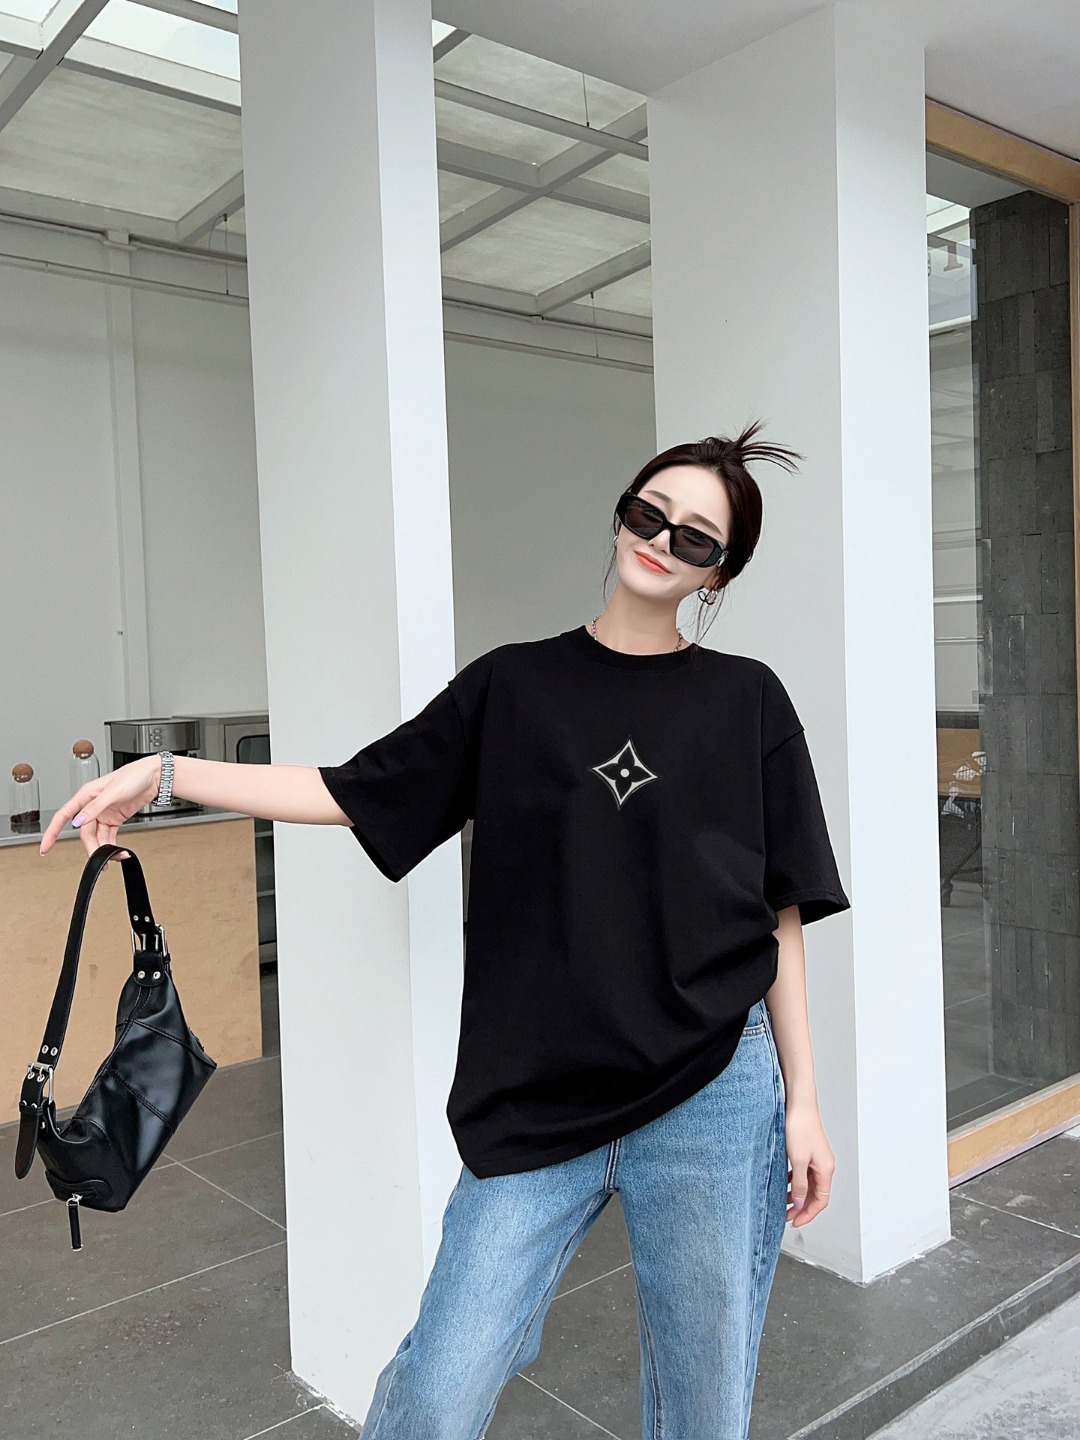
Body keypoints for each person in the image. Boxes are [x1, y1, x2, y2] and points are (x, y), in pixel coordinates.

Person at [40, 418, 851, 1439]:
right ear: (621, 514)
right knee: (440, 1389)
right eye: (650, 513)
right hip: (537, 1093)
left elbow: (779, 911)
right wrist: (164, 774)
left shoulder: (748, 700)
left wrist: (803, 1103)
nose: (662, 541)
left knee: (703, 1406)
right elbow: (353, 790)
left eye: (695, 536)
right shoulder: (514, 685)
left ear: (719, 570)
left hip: (712, 1093)